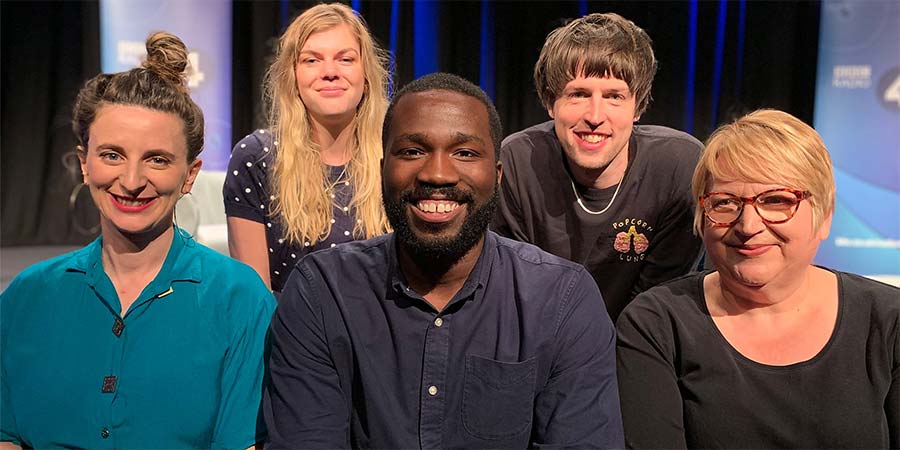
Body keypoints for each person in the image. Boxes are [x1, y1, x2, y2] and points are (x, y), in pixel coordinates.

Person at [264, 73, 624, 448]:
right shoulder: (322, 294)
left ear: (497, 176)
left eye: (465, 153)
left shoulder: (562, 300)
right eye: (412, 151)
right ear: (383, 168)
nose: (437, 173)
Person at [0, 32, 275, 448]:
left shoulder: (239, 299)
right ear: (84, 164)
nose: (131, 182)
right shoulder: (26, 297)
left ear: (190, 175)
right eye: (112, 155)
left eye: (157, 159)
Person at [616, 109, 899, 448]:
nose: (748, 225)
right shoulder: (657, 325)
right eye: (725, 203)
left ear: (825, 215)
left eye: (776, 201)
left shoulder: (887, 320)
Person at [493, 13, 703, 320]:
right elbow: (516, 296)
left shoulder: (678, 166)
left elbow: (658, 306)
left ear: (638, 106)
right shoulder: (516, 161)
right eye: (578, 94)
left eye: (614, 97)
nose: (595, 115)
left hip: (637, 344)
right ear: (551, 102)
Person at [225, 3, 390, 293]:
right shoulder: (256, 157)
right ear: (293, 77)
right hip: (289, 333)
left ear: (366, 76)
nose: (330, 72)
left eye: (345, 59)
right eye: (312, 60)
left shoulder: (397, 154)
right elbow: (254, 298)